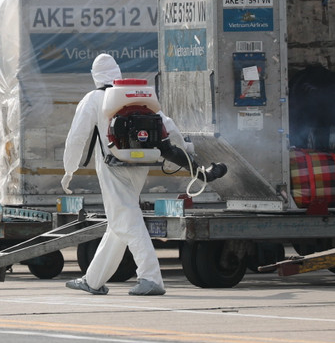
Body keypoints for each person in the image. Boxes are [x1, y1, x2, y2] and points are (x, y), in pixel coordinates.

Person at [61, 53, 219, 296]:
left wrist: (69, 170)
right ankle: (93, 280)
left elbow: (76, 137)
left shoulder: (93, 99)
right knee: (118, 223)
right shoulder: (134, 95)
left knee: (127, 218)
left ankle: (150, 278)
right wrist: (186, 151)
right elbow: (167, 125)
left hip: (113, 165)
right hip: (141, 163)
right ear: (117, 73)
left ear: (95, 76)